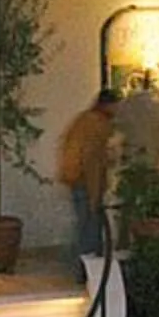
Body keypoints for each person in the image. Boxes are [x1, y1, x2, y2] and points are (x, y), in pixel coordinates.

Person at [55, 88, 120, 257]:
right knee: (89, 226)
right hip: (85, 181)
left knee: (85, 224)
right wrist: (95, 195)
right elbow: (91, 160)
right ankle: (89, 270)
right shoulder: (97, 125)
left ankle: (88, 267)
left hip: (75, 177)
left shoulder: (83, 119)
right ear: (108, 105)